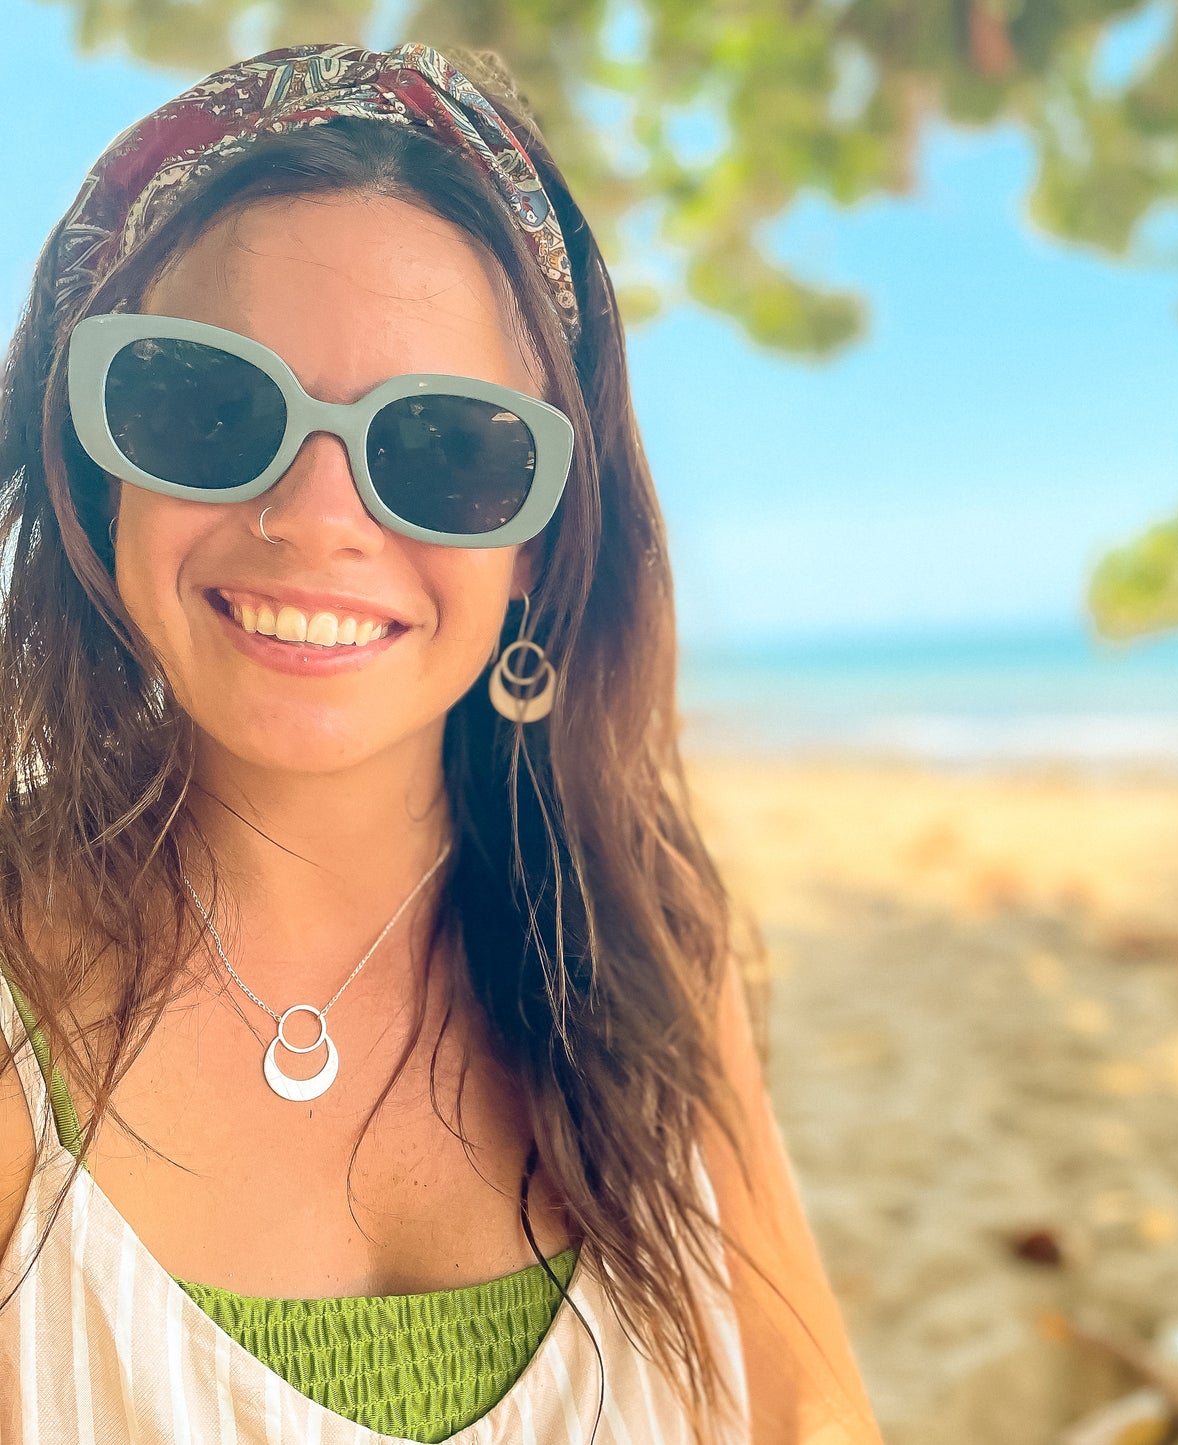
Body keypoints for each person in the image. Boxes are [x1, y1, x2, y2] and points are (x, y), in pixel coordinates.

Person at [0, 41, 882, 1445]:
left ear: (542, 543)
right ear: (94, 461)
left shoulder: (644, 936)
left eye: (447, 448)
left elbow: (808, 1411)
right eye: (205, 404)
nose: (317, 513)